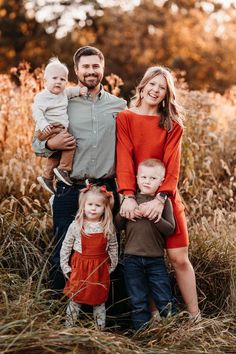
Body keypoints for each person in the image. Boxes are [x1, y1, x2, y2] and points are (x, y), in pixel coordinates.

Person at [32, 47, 127, 316]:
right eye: (85, 67)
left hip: (106, 189)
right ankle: (56, 314)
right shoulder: (62, 102)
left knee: (107, 251)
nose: (91, 71)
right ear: (76, 71)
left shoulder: (119, 107)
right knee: (63, 249)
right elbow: (36, 143)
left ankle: (109, 316)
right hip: (70, 188)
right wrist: (50, 142)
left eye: (95, 66)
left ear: (103, 67)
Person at [116, 66, 200, 320]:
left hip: (166, 197)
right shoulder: (125, 118)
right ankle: (155, 317)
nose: (155, 90)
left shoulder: (173, 125)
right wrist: (128, 196)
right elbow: (124, 158)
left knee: (178, 258)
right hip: (135, 198)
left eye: (161, 88)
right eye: (152, 85)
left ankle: (195, 317)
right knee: (145, 255)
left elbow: (172, 165)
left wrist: (161, 198)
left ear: (166, 94)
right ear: (142, 86)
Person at [115, 158, 176, 330]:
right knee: (138, 300)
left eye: (152, 178)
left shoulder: (164, 203)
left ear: (161, 182)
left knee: (164, 297)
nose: (147, 181)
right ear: (136, 178)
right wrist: (124, 214)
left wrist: (153, 216)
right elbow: (117, 226)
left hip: (155, 260)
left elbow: (170, 229)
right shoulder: (129, 200)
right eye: (143, 177)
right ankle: (141, 334)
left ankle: (172, 331)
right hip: (131, 260)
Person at [60, 184, 118, 329]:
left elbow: (113, 246)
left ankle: (99, 330)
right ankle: (68, 329)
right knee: (75, 299)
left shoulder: (107, 226)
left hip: (99, 269)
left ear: (105, 208)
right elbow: (66, 246)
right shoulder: (77, 225)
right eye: (90, 204)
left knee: (99, 301)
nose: (93, 208)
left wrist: (112, 266)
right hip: (79, 268)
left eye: (98, 205)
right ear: (83, 205)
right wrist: (65, 266)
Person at [32, 57, 88, 193]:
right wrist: (43, 124)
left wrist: (79, 91)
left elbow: (71, 91)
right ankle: (64, 169)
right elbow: (36, 111)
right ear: (45, 81)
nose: (59, 81)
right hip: (49, 128)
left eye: (62, 79)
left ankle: (47, 176)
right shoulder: (42, 96)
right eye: (55, 78)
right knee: (70, 143)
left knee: (57, 152)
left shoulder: (63, 93)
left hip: (57, 129)